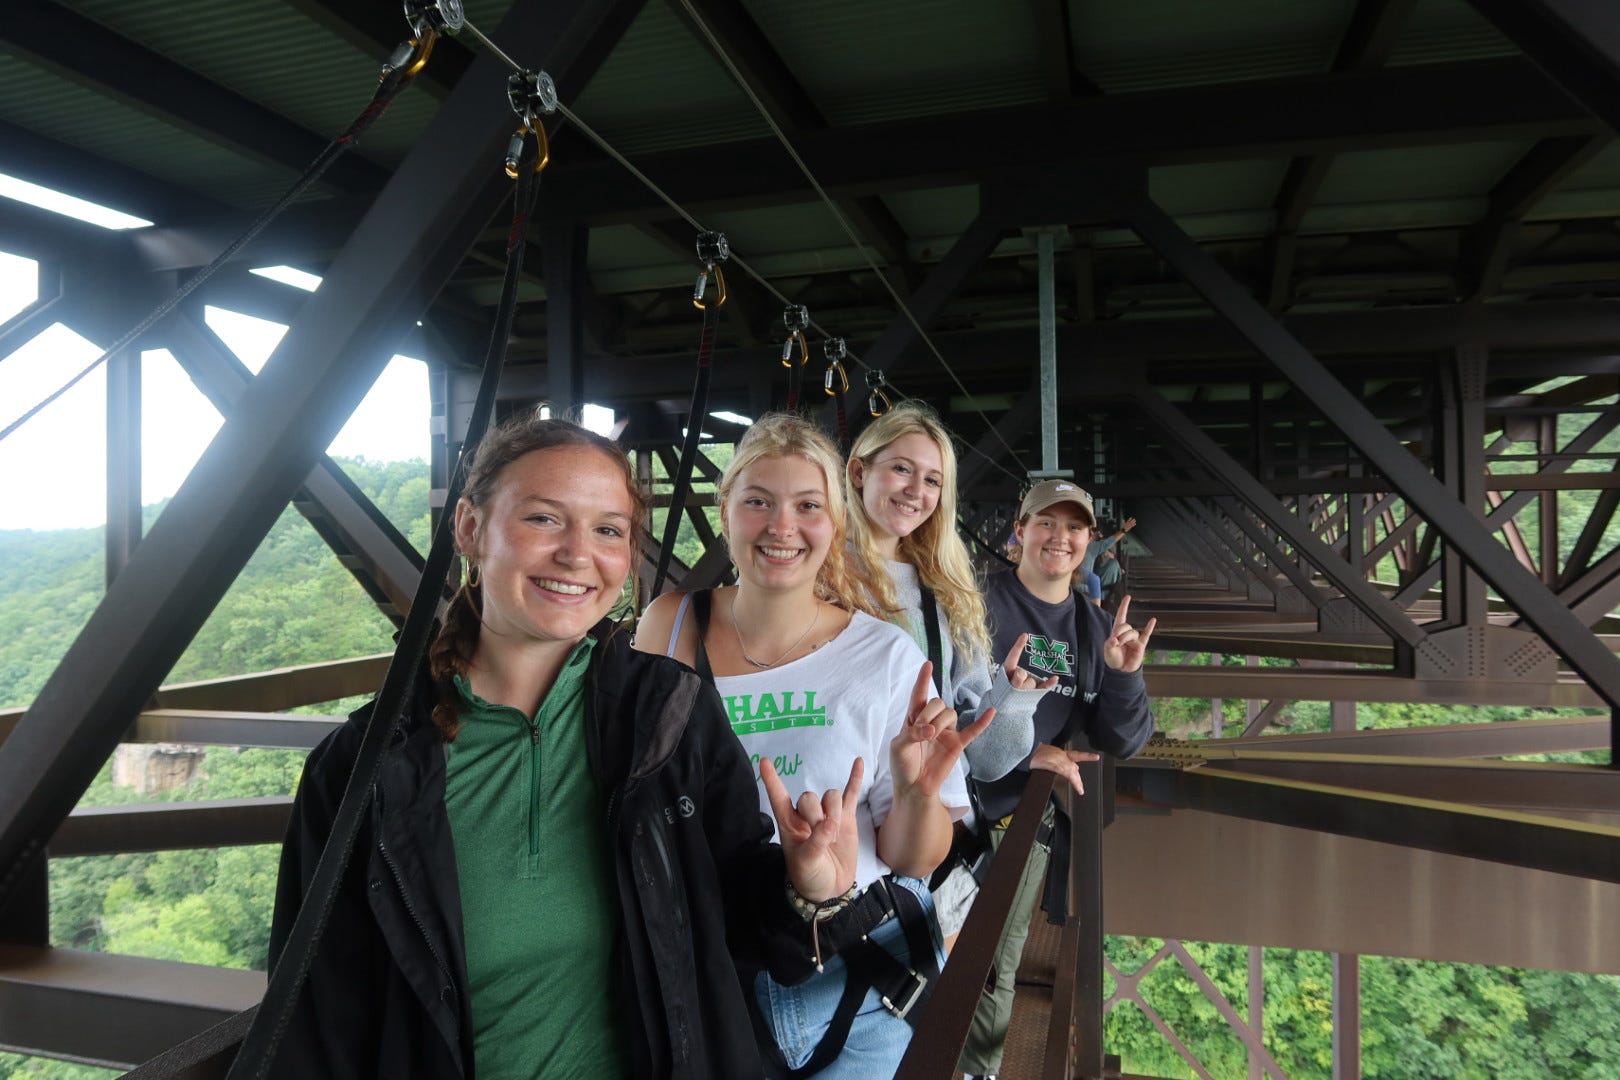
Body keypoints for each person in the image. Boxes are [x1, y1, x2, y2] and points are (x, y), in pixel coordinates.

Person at [268, 411, 864, 1080]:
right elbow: (316, 1022)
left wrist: (809, 890)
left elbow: (738, 930)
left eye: (608, 530)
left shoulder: (666, 715)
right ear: (469, 527)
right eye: (544, 519)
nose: (578, 555)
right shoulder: (363, 771)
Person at [637, 412, 988, 1080]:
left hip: (856, 976)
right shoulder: (671, 624)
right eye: (758, 503)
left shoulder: (885, 653)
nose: (782, 528)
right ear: (726, 510)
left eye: (808, 506)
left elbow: (914, 857)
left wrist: (916, 795)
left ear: (836, 523)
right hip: (711, 969)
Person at [959, 481, 1157, 1080]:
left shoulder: (1095, 632)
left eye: (1074, 528)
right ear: (1018, 531)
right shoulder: (970, 602)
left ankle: (974, 1069)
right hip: (949, 796)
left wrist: (1124, 676)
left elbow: (1124, 740)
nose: (1059, 537)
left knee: (994, 957)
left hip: (1014, 817)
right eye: (1045, 523)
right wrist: (1029, 751)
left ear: (1088, 542)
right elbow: (933, 699)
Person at [843, 402, 1048, 944]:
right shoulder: (814, 574)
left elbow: (981, 760)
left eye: (932, 479)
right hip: (841, 829)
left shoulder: (942, 593)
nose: (916, 490)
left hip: (930, 832)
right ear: (858, 471)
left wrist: (1013, 700)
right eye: (901, 469)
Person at [1075, 517, 1136, 606]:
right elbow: (1109, 542)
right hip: (1084, 589)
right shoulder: (1091, 546)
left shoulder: (1089, 545)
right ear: (1091, 533)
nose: (1100, 535)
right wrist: (1123, 530)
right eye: (1098, 532)